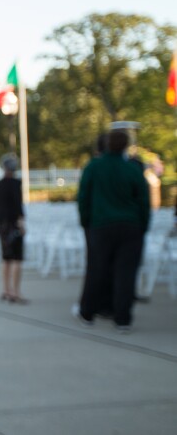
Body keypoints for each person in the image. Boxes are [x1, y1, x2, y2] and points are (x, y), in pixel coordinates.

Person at [74, 129, 150, 333]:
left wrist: (86, 222)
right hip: (130, 227)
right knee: (125, 273)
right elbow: (143, 200)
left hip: (101, 226)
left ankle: (88, 312)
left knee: (96, 269)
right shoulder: (132, 169)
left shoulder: (94, 167)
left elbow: (83, 197)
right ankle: (122, 319)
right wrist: (143, 225)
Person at [0, 154, 27, 303]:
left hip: (2, 225)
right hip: (13, 224)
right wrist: (21, 223)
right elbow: (17, 205)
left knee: (6, 258)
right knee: (16, 258)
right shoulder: (15, 184)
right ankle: (15, 291)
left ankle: (6, 289)